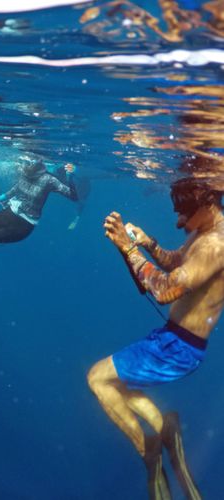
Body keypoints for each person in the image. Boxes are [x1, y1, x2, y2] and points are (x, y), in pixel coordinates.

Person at [87, 177, 224, 500]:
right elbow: (176, 262)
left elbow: (164, 290)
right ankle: (165, 430)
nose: (179, 222)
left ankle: (148, 449)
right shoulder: (203, 233)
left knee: (97, 379)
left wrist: (128, 247)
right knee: (114, 384)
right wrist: (148, 244)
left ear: (205, 205)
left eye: (183, 214)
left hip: (179, 348)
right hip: (172, 339)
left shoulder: (215, 245)